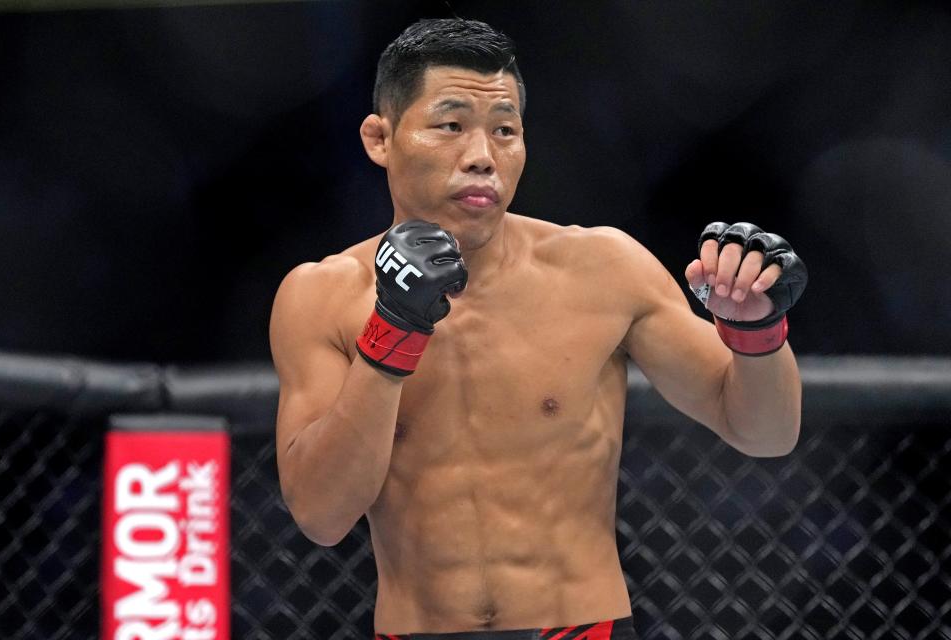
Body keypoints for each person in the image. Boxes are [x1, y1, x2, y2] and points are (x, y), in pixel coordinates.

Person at [270, 17, 807, 639]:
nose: (481, 157)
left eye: (505, 131)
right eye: (450, 126)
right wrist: (394, 329)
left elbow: (765, 433)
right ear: (380, 138)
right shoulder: (321, 294)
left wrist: (756, 333)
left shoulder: (603, 268)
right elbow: (320, 514)